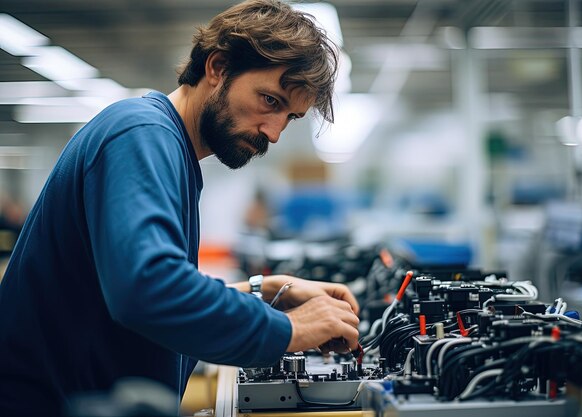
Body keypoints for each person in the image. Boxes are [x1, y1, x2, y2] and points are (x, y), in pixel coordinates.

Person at [0, 1, 360, 415]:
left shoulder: (172, 151)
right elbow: (148, 290)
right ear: (218, 67)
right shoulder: (141, 134)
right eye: (270, 101)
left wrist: (264, 294)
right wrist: (289, 328)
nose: (274, 133)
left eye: (290, 117)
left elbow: (134, 294)